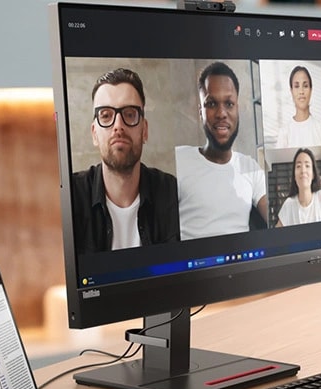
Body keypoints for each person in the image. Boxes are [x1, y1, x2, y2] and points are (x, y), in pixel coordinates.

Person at [69, 68, 179, 254]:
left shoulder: (173, 195)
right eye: (106, 115)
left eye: (129, 114)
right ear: (94, 133)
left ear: (144, 130)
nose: (118, 126)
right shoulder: (70, 198)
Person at [176, 62, 270, 240]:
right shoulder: (179, 159)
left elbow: (280, 223)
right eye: (211, 103)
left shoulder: (250, 167)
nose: (221, 113)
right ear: (200, 112)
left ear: (237, 109)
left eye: (229, 103)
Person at [274, 66, 321, 148]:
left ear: (311, 89)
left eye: (305, 86)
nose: (301, 91)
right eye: (296, 86)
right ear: (291, 91)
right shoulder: (284, 132)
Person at [275, 148, 321, 226]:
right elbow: (276, 236)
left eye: (307, 165)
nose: (303, 170)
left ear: (313, 174)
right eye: (298, 166)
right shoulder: (288, 205)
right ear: (294, 176)